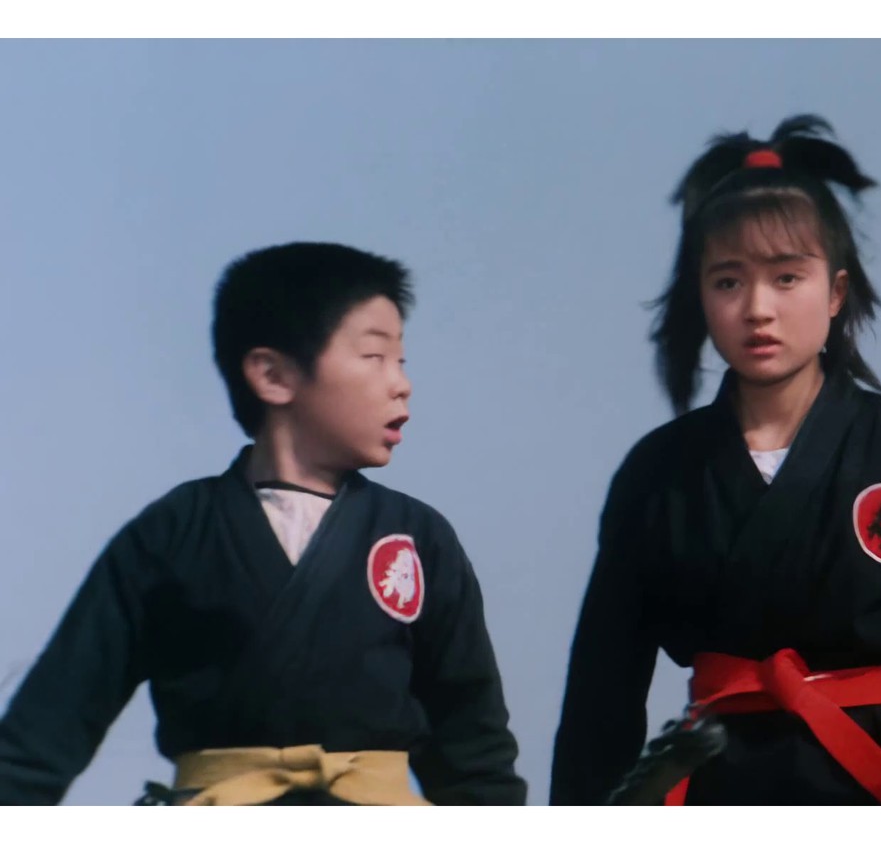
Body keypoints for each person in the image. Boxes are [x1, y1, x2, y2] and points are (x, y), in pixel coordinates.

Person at [550, 115, 881, 806]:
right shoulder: (659, 473)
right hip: (717, 789)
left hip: (880, 785)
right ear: (701, 298)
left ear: (835, 293)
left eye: (786, 277)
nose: (757, 308)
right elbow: (603, 683)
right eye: (728, 282)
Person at [0, 241, 526, 806]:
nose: (402, 383)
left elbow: (475, 751)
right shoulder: (172, 534)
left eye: (401, 362)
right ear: (273, 375)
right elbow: (46, 731)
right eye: (374, 357)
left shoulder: (418, 537)